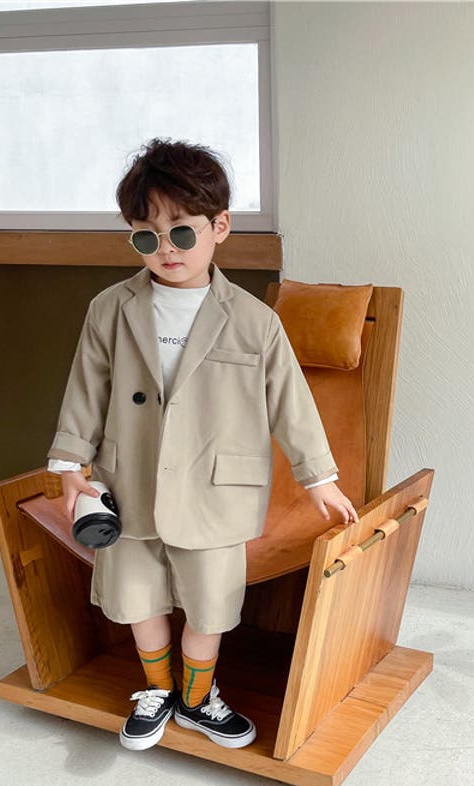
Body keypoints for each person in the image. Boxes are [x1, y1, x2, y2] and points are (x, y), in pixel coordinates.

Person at [47, 138, 358, 753]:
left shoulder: (254, 321)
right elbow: (85, 389)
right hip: (128, 483)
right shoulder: (109, 309)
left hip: (216, 490)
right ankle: (158, 691)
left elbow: (290, 402)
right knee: (138, 595)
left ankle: (196, 699)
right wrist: (69, 468)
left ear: (220, 227)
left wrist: (319, 477)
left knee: (210, 605)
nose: (166, 249)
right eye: (146, 237)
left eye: (182, 233)